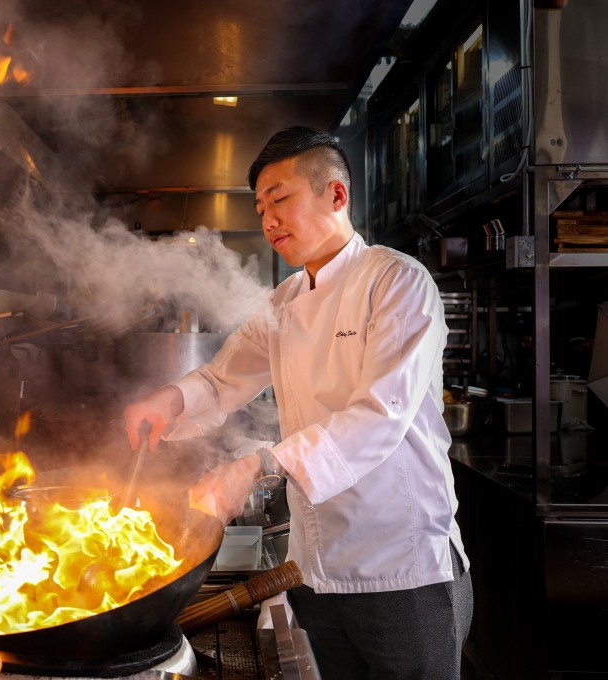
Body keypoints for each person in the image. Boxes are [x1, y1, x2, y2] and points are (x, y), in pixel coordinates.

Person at [123, 126, 473, 680]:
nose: (268, 220)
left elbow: (378, 417)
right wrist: (170, 399)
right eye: (261, 208)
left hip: (401, 571)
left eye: (280, 199)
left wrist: (257, 465)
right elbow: (221, 379)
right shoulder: (284, 301)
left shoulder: (397, 282)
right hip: (314, 569)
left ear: (336, 195)